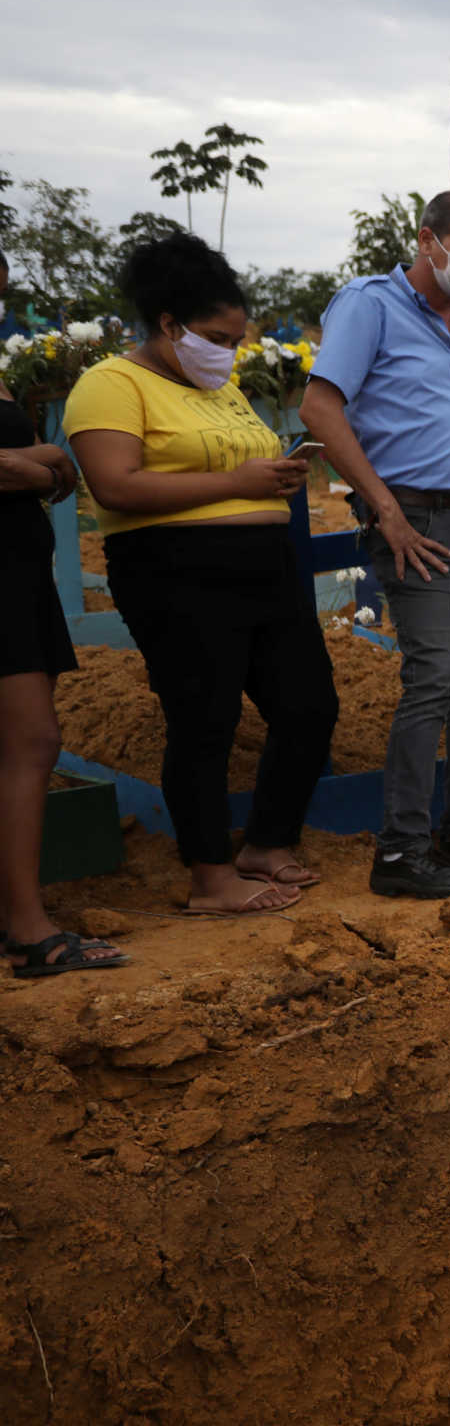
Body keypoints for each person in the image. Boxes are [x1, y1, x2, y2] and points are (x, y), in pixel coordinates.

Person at [63, 233, 340, 917]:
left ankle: (267, 844)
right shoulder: (111, 385)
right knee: (204, 720)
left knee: (308, 704)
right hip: (176, 572)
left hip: (266, 570)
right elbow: (114, 487)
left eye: (238, 338)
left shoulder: (224, 388)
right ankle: (210, 878)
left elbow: (243, 470)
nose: (231, 351)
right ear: (167, 324)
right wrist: (238, 480)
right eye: (219, 336)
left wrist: (274, 477)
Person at [302, 191, 450, 899]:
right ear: (426, 240)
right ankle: (399, 850)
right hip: (416, 524)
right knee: (433, 675)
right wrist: (384, 510)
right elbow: (320, 406)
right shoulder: (369, 304)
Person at [2, 352, 129, 975]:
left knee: (21, 746)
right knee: (32, 742)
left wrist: (36, 464)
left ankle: (15, 916)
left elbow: (57, 468)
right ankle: (28, 931)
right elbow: (38, 466)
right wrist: (37, 466)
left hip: (20, 576)